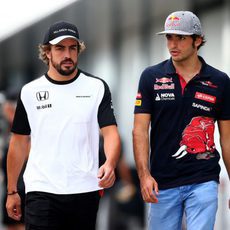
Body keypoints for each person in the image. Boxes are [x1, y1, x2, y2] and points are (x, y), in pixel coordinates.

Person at [6, 21, 121, 230]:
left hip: (85, 189)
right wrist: (12, 190)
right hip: (41, 189)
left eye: (72, 48)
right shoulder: (30, 92)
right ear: (47, 52)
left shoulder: (96, 87)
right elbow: (19, 142)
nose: (67, 54)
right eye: (60, 48)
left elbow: (111, 133)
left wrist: (110, 163)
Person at [133, 11, 230, 230]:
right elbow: (139, 131)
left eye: (181, 38)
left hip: (203, 179)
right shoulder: (151, 77)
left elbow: (228, 139)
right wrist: (144, 175)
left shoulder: (220, 81)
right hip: (162, 182)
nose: (173, 44)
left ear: (197, 40)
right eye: (169, 37)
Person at [1, 90, 26, 230]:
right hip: (11, 187)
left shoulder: (25, 132)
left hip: (22, 188)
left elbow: (25, 155)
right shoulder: (8, 129)